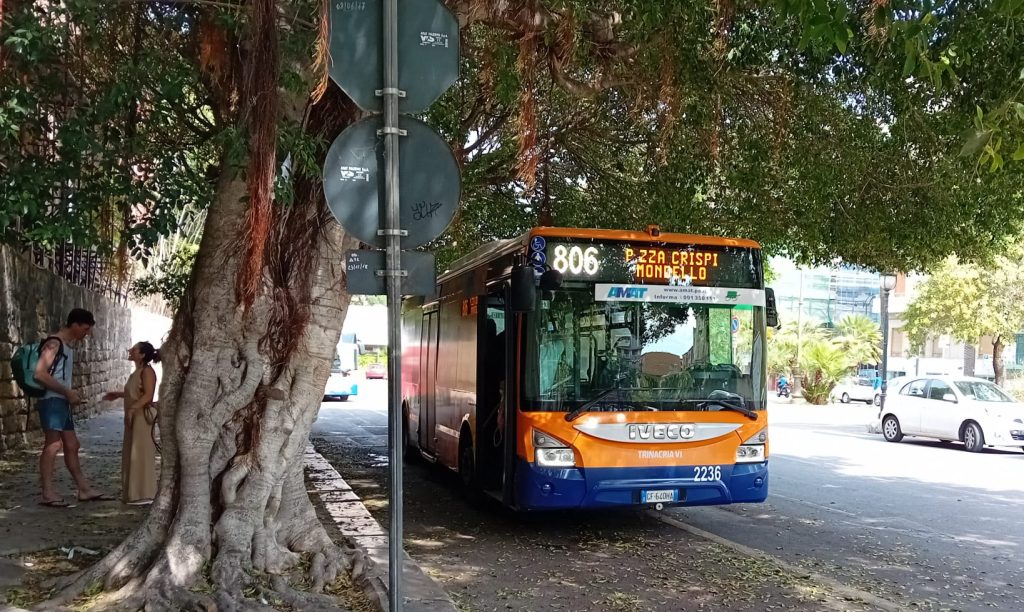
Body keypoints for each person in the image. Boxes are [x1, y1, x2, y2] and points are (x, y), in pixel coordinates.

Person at [34, 308, 111, 507]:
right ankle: (47, 493)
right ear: (74, 324)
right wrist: (66, 392)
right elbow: (40, 374)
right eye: (84, 329)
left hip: (61, 401)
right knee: (53, 444)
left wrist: (69, 393)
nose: (86, 334)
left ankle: (84, 489)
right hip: (52, 401)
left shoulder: (67, 346)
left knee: (72, 444)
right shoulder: (54, 343)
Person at [104, 342, 160, 505]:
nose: (130, 350)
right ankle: (134, 492)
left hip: (141, 416)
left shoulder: (147, 371)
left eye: (134, 349)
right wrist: (119, 395)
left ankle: (144, 493)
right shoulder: (138, 372)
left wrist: (132, 409)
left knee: (140, 452)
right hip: (135, 415)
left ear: (142, 354)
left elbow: (148, 396)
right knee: (132, 451)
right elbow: (137, 393)